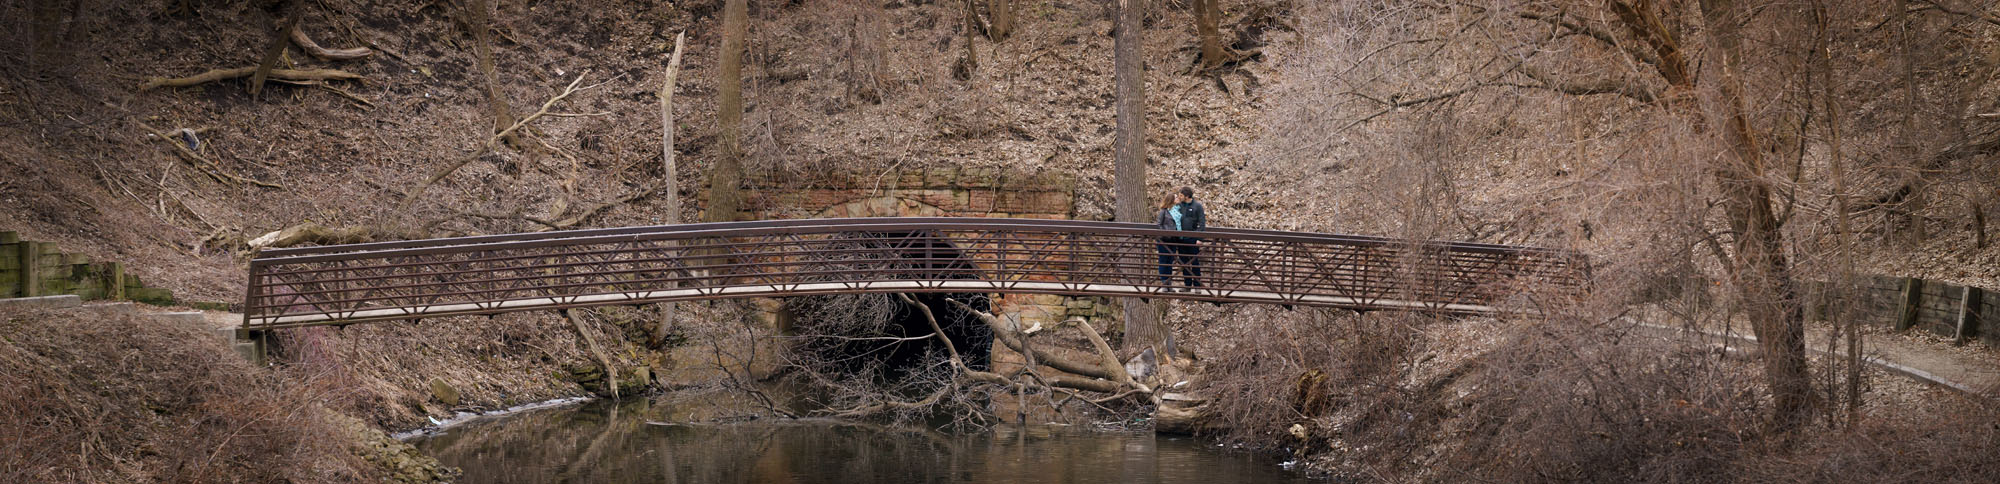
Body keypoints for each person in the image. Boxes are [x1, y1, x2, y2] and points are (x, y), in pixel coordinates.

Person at [1171, 186, 1206, 290]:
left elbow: (1202, 223)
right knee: (1183, 263)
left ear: (1187, 196)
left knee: (1194, 263)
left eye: (1181, 195)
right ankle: (1187, 286)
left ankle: (1197, 286)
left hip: (1193, 238)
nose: (1179, 197)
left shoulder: (1197, 206)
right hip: (1181, 239)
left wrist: (1200, 238)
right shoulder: (1179, 205)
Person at [1155, 192, 1181, 289]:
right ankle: (1164, 283)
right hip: (1164, 240)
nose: (1177, 198)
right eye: (1175, 198)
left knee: (1170, 261)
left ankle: (1169, 284)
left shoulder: (1176, 211)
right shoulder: (1163, 211)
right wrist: (1165, 234)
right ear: (1171, 200)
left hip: (1173, 240)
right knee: (1163, 261)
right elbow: (1159, 224)